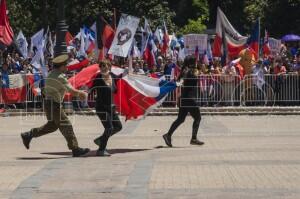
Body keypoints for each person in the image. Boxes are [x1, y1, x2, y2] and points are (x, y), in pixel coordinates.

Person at [20, 54, 90, 157]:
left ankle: (29, 135)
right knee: (67, 125)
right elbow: (71, 90)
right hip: (54, 105)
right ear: (61, 66)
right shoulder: (60, 76)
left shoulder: (51, 73)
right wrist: (81, 93)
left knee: (52, 126)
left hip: (48, 103)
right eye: (65, 65)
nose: (67, 67)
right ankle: (75, 149)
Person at [163, 55, 204, 147]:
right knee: (198, 118)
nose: (196, 63)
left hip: (183, 98)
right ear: (192, 63)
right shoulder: (193, 71)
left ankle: (168, 135)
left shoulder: (184, 71)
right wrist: (197, 70)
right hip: (190, 98)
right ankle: (193, 138)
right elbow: (196, 76)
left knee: (181, 119)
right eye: (195, 61)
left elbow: (179, 81)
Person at [92, 60, 123, 157]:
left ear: (110, 67)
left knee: (118, 127)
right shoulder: (98, 78)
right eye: (102, 67)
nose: (104, 68)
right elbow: (91, 88)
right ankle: (101, 150)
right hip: (101, 108)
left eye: (106, 66)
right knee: (109, 128)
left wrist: (128, 72)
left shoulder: (113, 76)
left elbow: (122, 78)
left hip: (111, 108)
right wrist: (84, 92)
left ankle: (101, 139)